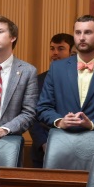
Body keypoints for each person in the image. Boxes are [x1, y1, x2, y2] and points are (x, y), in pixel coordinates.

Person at [37, 14, 94, 133]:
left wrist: (92, 124)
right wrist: (60, 121)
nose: (81, 37)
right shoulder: (57, 68)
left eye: (87, 32)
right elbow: (43, 108)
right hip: (64, 141)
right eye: (77, 32)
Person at [30, 33, 74, 166]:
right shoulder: (38, 80)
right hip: (42, 151)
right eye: (52, 48)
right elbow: (32, 115)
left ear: (72, 53)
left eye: (61, 49)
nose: (55, 53)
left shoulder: (79, 80)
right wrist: (43, 142)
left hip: (72, 147)